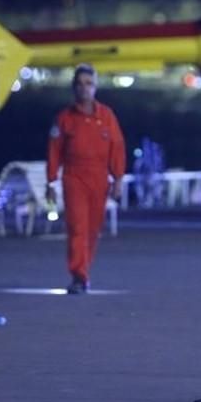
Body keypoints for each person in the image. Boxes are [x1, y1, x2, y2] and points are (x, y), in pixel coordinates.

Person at [46, 64, 126, 294]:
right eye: (80, 84)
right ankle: (78, 276)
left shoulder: (107, 117)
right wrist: (51, 181)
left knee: (92, 230)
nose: (84, 89)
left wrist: (118, 179)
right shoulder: (64, 119)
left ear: (95, 87)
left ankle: (84, 271)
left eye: (89, 84)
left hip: (100, 178)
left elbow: (117, 147)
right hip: (74, 177)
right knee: (77, 227)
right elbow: (54, 150)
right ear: (74, 87)